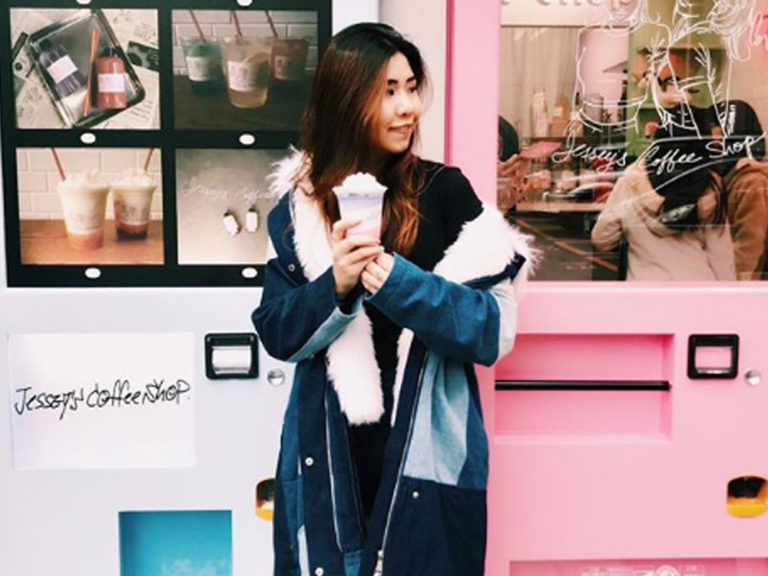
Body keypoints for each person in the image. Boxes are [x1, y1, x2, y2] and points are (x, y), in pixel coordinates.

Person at [251, 23, 533, 576]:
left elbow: (492, 328)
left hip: (426, 445)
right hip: (328, 444)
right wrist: (337, 282)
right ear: (346, 100)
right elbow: (278, 332)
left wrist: (394, 281)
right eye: (388, 91)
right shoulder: (300, 210)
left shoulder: (446, 192)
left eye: (411, 88)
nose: (408, 107)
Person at [591, 110, 735, 281]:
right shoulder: (709, 186)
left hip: (646, 288)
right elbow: (722, 261)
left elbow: (602, 238)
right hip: (698, 288)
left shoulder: (633, 180)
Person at [709, 100, 768, 280]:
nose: (712, 136)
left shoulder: (751, 182)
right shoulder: (720, 172)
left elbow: (749, 244)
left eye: (716, 128)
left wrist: (732, 285)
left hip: (737, 283)